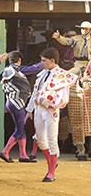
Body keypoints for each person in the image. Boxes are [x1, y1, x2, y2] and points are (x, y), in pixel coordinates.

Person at [25, 47, 77, 182]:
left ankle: (51, 172)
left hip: (51, 111)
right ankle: (52, 164)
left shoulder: (61, 76)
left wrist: (46, 102)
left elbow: (63, 99)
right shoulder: (42, 74)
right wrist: (29, 110)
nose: (42, 63)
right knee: (41, 141)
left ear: (52, 60)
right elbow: (36, 92)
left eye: (44, 60)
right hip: (38, 110)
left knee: (52, 140)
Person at [0, 51, 42, 163]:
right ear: (19, 60)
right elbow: (32, 69)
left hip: (12, 102)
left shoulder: (6, 70)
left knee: (21, 128)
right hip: (17, 103)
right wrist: (43, 62)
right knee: (20, 129)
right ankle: (5, 152)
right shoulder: (16, 69)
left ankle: (23, 155)